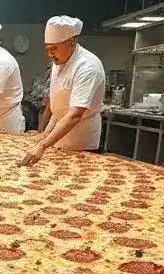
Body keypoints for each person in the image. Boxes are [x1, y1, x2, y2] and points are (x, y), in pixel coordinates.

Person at [21, 15, 106, 166]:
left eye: (54, 48)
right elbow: (58, 105)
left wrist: (42, 146)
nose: (50, 54)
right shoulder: (58, 63)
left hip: (81, 142)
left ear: (72, 41)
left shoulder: (87, 67)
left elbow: (74, 115)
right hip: (57, 139)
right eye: (47, 49)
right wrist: (46, 134)